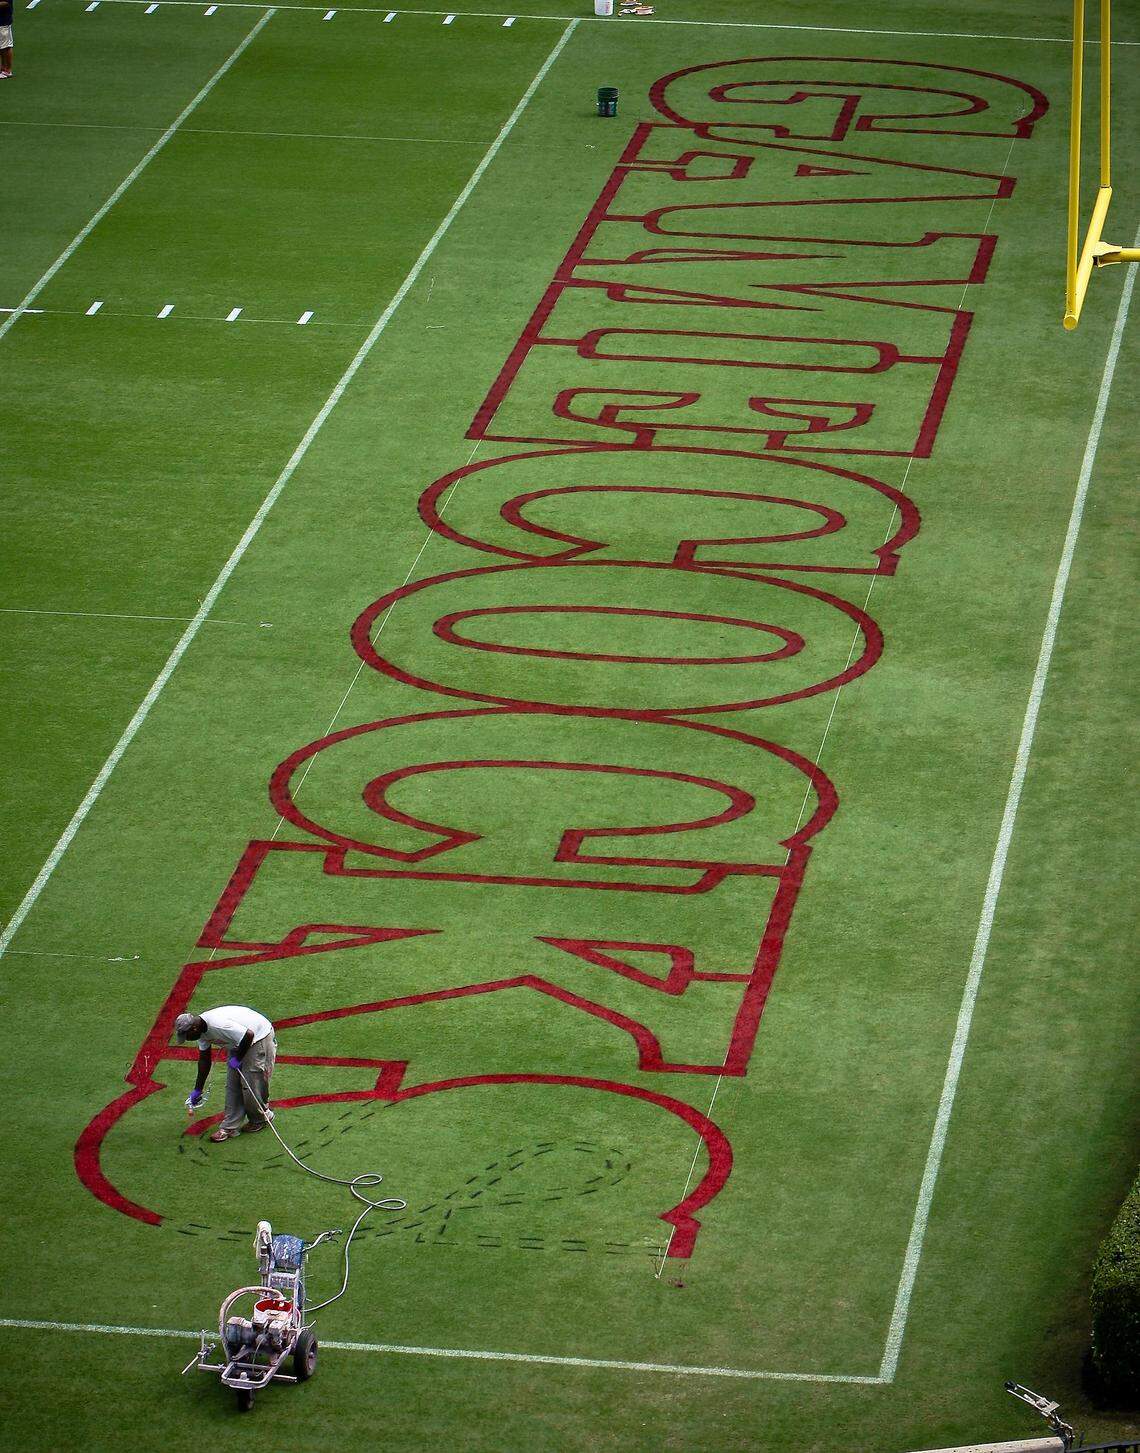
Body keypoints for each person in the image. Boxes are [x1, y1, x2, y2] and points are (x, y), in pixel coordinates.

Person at [175, 1005, 276, 1143]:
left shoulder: (218, 1025)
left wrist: (238, 1058)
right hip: (238, 1040)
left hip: (258, 1037)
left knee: (251, 1082)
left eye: (187, 1036)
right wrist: (198, 1089)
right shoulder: (200, 1031)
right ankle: (229, 1127)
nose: (187, 1039)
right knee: (232, 1084)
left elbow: (249, 1035)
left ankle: (261, 1118)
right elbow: (204, 1060)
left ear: (193, 1028)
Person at [0, 0, 14, 80]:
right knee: (2, 47)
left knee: (6, 47)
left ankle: (7, 70)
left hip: (3, 22)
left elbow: (6, 2)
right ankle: (3, 69)